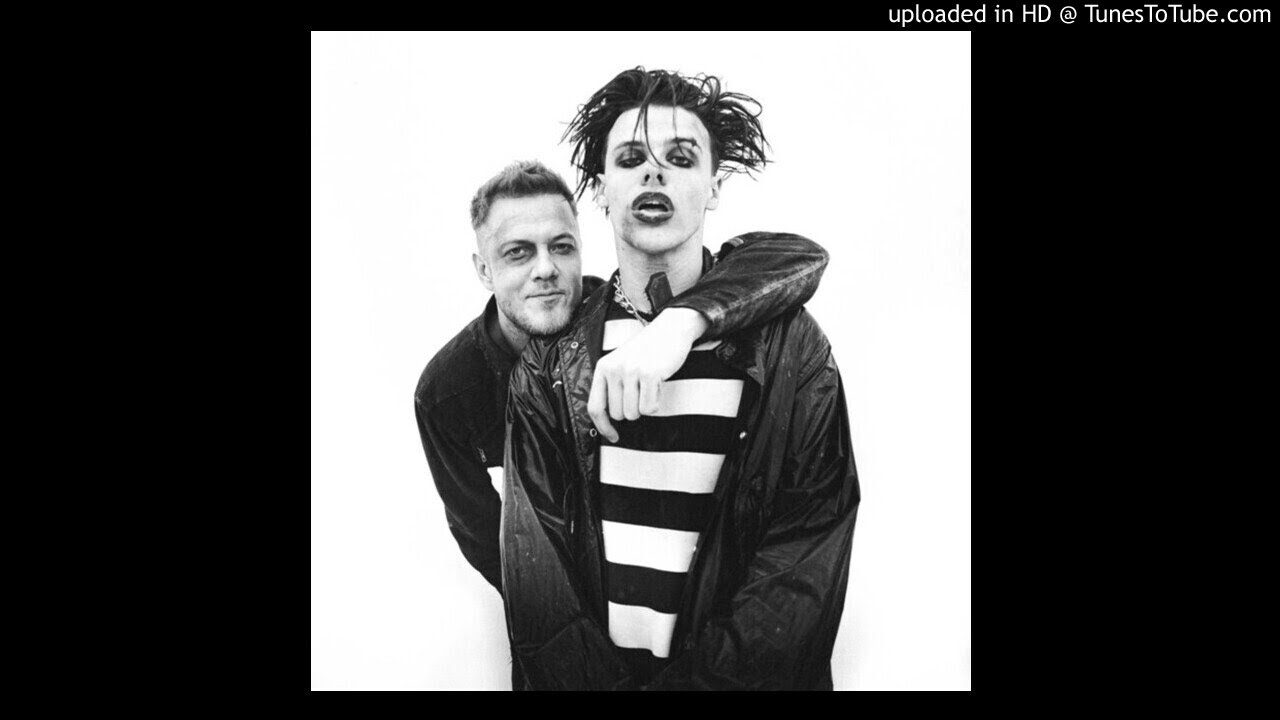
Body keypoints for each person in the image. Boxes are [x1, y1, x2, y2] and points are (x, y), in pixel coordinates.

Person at [501, 69, 860, 690]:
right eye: (630, 158)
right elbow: (540, 589)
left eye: (681, 157)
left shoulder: (789, 345)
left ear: (713, 187)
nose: (654, 173)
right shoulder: (551, 362)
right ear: (601, 189)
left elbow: (804, 556)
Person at [414, 160, 829, 594]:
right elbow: (483, 535)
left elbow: (791, 258)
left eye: (561, 247)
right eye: (518, 252)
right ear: (484, 270)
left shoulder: (615, 313)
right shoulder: (445, 394)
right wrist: (560, 618)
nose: (546, 269)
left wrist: (682, 322)